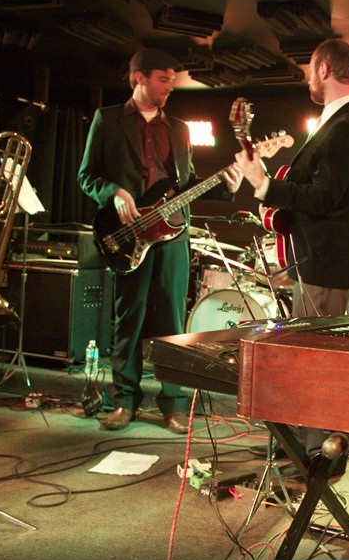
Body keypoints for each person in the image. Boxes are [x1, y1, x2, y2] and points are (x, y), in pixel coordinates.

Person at [78, 48, 242, 433]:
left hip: (173, 234)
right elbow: (87, 176)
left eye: (172, 79)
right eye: (163, 79)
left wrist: (227, 187)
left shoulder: (179, 129)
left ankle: (174, 404)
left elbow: (186, 184)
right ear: (139, 78)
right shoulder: (107, 120)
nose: (171, 86)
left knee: (172, 320)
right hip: (128, 233)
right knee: (129, 318)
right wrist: (114, 193)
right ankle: (125, 400)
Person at [235, 38, 349, 466]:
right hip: (316, 262)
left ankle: (318, 459)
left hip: (326, 264)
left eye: (311, 69)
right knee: (304, 359)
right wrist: (270, 188)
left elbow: (323, 197)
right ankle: (297, 447)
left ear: (325, 70)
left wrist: (264, 185)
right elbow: (314, 191)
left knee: (317, 365)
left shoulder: (347, 126)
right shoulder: (335, 122)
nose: (308, 77)